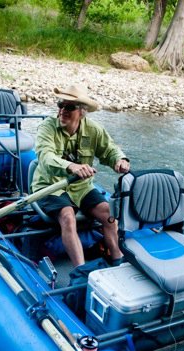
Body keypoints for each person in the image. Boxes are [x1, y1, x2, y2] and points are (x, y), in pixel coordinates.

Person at [31, 84, 130, 268]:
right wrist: (71, 166)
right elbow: (46, 157)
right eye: (60, 104)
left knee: (110, 215)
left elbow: (109, 150)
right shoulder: (47, 128)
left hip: (82, 188)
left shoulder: (94, 130)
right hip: (50, 186)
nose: (62, 111)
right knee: (68, 217)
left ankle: (118, 260)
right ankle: (81, 270)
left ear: (82, 112)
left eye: (69, 107)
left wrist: (120, 160)